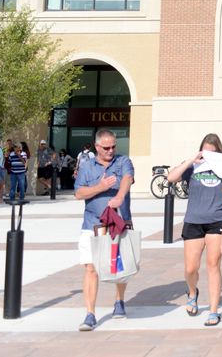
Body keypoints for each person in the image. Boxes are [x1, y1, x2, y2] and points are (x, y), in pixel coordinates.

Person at [167, 132, 222, 327]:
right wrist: (191, 160)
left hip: (216, 220)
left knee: (213, 265)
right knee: (191, 268)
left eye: (213, 152)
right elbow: (171, 178)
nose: (209, 156)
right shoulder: (193, 166)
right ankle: (192, 292)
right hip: (194, 220)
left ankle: (213, 310)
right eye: (206, 152)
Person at [73, 129, 134, 332]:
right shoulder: (87, 167)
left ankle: (119, 300)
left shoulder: (123, 161)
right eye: (106, 147)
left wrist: (120, 196)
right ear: (97, 147)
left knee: (119, 267)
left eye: (113, 146)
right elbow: (79, 192)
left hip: (118, 223)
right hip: (92, 224)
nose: (110, 150)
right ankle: (90, 314)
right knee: (90, 268)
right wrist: (100, 187)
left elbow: (127, 178)